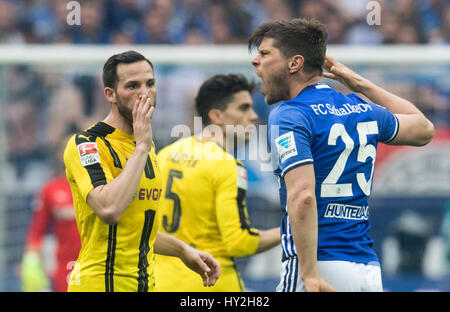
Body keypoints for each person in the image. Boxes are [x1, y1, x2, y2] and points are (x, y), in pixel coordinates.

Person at [249, 18, 435, 292]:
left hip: (317, 267)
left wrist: (310, 274)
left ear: (294, 63)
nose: (255, 61)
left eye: (265, 53)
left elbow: (303, 196)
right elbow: (423, 128)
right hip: (366, 272)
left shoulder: (290, 115)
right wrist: (358, 83)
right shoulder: (359, 107)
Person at [63, 50, 220, 292]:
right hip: (101, 284)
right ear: (110, 94)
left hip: (145, 284)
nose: (145, 93)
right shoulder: (87, 144)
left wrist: (182, 250)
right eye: (133, 86)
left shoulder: (144, 144)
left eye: (150, 83)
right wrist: (142, 147)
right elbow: (109, 209)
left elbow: (134, 230)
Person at [154, 74, 280, 292]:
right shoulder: (227, 165)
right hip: (209, 282)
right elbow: (239, 243)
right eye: (243, 108)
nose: (253, 116)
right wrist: (290, 231)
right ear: (217, 115)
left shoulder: (164, 154)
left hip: (159, 281)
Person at [21, 136, 81, 292]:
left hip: (96, 260)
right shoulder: (50, 190)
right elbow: (37, 229)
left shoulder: (96, 186)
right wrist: (31, 260)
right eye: (66, 147)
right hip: (65, 265)